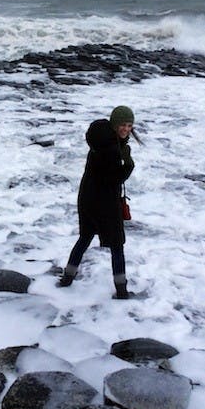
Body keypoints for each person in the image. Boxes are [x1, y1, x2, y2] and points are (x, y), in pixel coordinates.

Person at [58, 106, 136, 299]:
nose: (126, 129)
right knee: (117, 245)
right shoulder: (110, 148)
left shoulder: (101, 142)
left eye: (130, 126)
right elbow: (113, 179)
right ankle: (122, 291)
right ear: (114, 125)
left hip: (88, 199)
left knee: (85, 238)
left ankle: (67, 278)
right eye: (123, 125)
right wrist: (128, 165)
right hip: (104, 203)